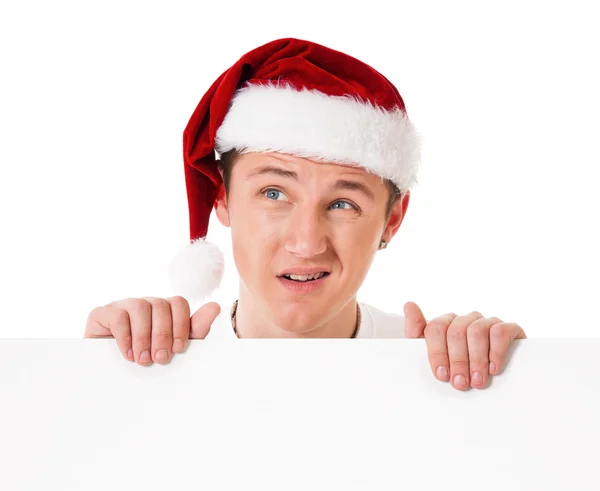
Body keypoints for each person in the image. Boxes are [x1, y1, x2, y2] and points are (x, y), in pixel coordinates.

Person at [84, 38, 526, 390]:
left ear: (392, 220)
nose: (306, 242)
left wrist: (517, 388)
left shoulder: (434, 366)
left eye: (342, 204)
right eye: (274, 193)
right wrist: (93, 383)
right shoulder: (157, 365)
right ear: (221, 197)